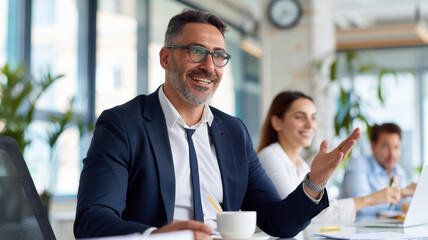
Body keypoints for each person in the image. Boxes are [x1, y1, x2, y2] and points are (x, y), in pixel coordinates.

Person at [74, 9, 361, 240]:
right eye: (196, 51)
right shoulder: (123, 124)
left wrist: (314, 182)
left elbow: (278, 222)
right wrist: (157, 236)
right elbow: (92, 219)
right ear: (165, 57)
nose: (209, 67)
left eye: (219, 56)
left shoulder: (233, 131)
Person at [257, 91, 402, 222]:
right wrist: (369, 200)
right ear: (277, 122)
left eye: (313, 118)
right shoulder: (270, 157)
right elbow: (300, 212)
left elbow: (316, 212)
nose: (310, 125)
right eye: (300, 117)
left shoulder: (301, 164)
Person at [340, 123, 416, 215]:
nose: (392, 154)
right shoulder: (358, 164)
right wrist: (399, 194)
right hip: (350, 227)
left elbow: (399, 205)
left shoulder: (398, 171)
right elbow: (360, 207)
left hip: (383, 227)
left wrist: (414, 196)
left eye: (396, 147)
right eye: (385, 146)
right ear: (373, 146)